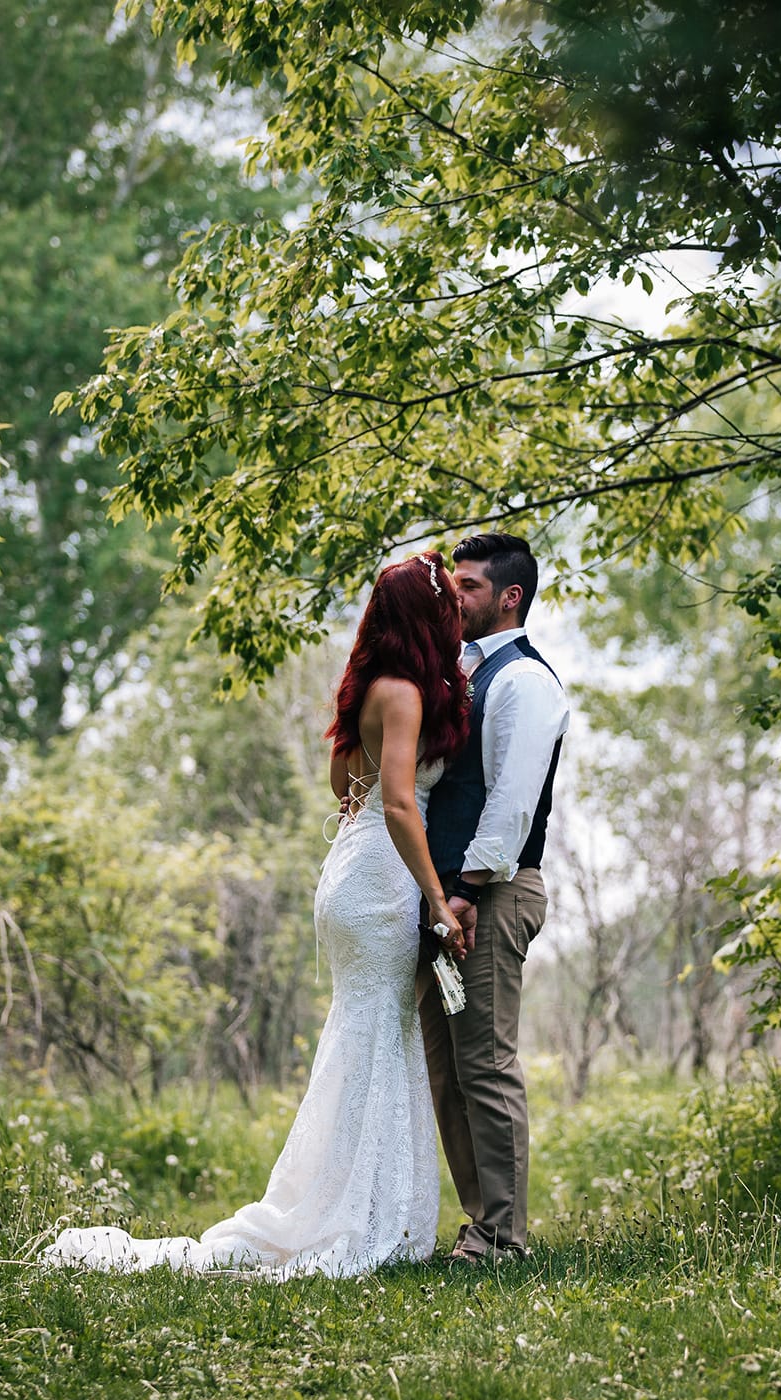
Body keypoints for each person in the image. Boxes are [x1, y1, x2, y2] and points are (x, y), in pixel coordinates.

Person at [41, 551, 472, 1278]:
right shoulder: (403, 693)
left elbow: (345, 784)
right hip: (382, 878)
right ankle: (358, 1217)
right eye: (449, 609)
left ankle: (364, 1206)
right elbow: (399, 801)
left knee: (364, 1034)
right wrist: (435, 894)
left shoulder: (369, 686)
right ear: (428, 618)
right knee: (375, 1035)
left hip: (351, 869)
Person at [419, 532, 570, 1265]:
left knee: (485, 1063)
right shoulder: (459, 673)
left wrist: (470, 890)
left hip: (494, 894)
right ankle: (481, 1221)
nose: (456, 595)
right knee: (447, 1068)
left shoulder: (524, 682)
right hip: (445, 899)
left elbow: (512, 801)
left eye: (470, 586)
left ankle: (504, 1237)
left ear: (510, 597)